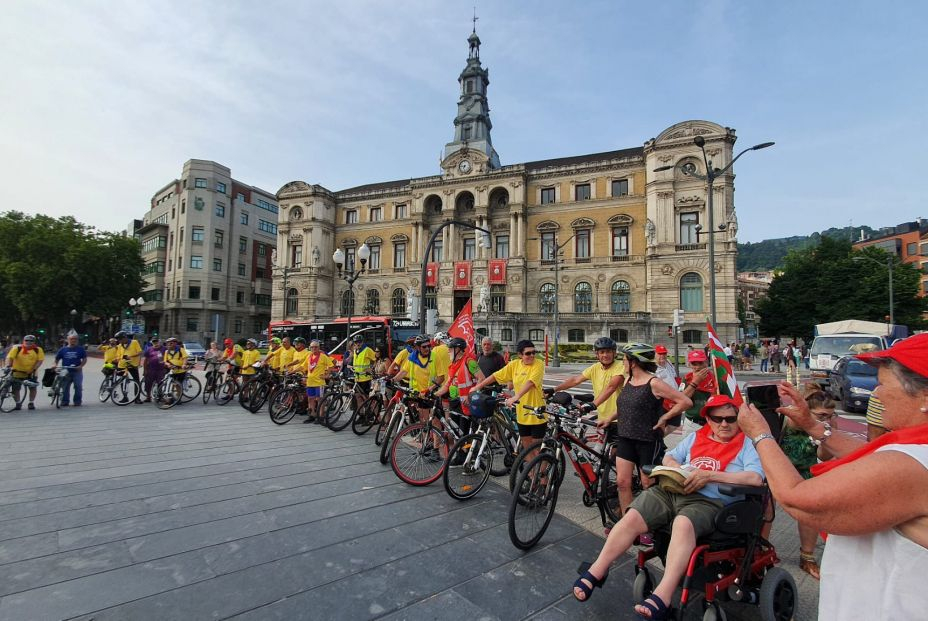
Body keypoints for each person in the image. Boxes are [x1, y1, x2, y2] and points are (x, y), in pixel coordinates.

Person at [737, 334, 928, 620]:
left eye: (882, 384)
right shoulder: (913, 450)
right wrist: (813, 425)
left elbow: (797, 499)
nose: (875, 394)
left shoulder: (910, 464)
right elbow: (872, 457)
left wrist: (760, 434)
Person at [572, 394, 763, 619]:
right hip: (674, 492)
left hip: (710, 501)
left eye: (730, 419)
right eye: (717, 418)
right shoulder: (697, 437)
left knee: (683, 523)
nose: (723, 424)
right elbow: (670, 456)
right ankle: (597, 570)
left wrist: (709, 476)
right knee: (633, 515)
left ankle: (663, 594)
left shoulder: (747, 443)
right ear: (708, 419)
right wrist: (674, 467)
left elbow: (755, 478)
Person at [595, 343, 693, 516]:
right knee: (622, 482)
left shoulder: (654, 383)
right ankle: (627, 521)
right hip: (625, 437)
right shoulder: (628, 380)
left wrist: (665, 417)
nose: (622, 363)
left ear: (634, 362)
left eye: (625, 359)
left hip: (647, 440)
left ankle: (650, 521)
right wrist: (609, 418)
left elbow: (685, 401)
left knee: (647, 483)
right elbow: (626, 406)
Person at [779, 385, 837, 579]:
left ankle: (807, 556)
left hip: (806, 469)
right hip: (781, 469)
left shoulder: (827, 426)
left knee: (810, 509)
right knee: (764, 506)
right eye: (822, 415)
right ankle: (761, 548)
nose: (827, 419)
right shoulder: (788, 422)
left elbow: (823, 455)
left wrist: (826, 435)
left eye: (830, 415)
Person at [473, 339, 546, 456]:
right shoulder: (514, 364)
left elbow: (531, 383)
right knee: (526, 449)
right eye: (528, 353)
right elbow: (495, 376)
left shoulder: (539, 364)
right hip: (522, 413)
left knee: (537, 450)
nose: (532, 355)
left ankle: (543, 474)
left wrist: (515, 397)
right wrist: (478, 386)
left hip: (537, 413)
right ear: (520, 355)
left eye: (534, 352)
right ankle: (532, 474)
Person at [554, 336, 626, 430]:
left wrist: (593, 404)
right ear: (597, 354)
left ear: (614, 353)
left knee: (615, 444)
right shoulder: (595, 367)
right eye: (602, 352)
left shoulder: (621, 366)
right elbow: (575, 380)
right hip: (603, 417)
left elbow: (611, 387)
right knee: (600, 444)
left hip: (619, 418)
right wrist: (554, 389)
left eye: (608, 351)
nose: (605, 355)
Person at [434, 337, 485, 435]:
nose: (448, 351)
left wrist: (471, 395)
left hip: (466, 404)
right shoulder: (454, 365)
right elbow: (447, 385)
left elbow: (482, 378)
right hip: (455, 403)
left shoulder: (469, 362)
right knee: (456, 433)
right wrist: (434, 394)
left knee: (464, 434)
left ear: (457, 349)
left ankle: (469, 450)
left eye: (450, 349)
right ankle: (459, 450)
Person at [393, 335, 443, 421]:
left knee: (434, 422)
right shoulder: (412, 358)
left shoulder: (434, 356)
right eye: (424, 347)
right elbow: (403, 372)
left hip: (431, 394)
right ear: (417, 347)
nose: (427, 348)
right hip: (418, 394)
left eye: (429, 346)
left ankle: (436, 434)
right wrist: (392, 380)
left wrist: (430, 389)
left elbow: (441, 377)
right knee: (423, 421)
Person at [678, 350, 715, 437]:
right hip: (692, 424)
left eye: (700, 363)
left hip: (711, 424)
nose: (697, 367)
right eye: (694, 364)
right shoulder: (686, 378)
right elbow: (682, 399)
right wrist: (695, 382)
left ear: (706, 363)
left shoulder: (714, 377)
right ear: (690, 365)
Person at [5, 335, 44, 410]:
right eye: (26, 340)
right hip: (17, 372)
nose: (28, 342)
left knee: (32, 388)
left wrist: (34, 369)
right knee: (16, 389)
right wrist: (8, 365)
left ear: (34, 342)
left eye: (31, 341)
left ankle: (31, 402)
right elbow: (10, 357)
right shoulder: (17, 348)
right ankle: (18, 403)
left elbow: (40, 360)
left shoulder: (38, 350)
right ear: (23, 341)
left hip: (31, 373)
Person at [303, 339, 334, 423]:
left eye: (316, 347)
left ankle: (321, 416)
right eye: (312, 347)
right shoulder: (309, 356)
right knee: (310, 399)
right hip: (310, 382)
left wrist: (327, 375)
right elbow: (303, 366)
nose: (314, 349)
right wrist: (292, 371)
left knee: (320, 399)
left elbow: (331, 365)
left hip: (319, 382)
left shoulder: (323, 356)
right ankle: (312, 415)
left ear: (319, 348)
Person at [54, 334, 87, 407]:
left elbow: (84, 359)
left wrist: (80, 366)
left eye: (75, 339)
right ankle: (65, 401)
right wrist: (54, 365)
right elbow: (57, 359)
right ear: (68, 340)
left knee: (78, 386)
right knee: (65, 387)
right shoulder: (63, 349)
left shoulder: (80, 349)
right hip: (65, 371)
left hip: (76, 371)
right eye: (71, 339)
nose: (73, 340)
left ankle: (77, 401)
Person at [115, 332, 143, 403]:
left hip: (132, 364)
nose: (119, 341)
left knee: (136, 381)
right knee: (122, 381)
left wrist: (131, 356)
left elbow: (140, 352)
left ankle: (137, 398)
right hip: (122, 365)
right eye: (118, 340)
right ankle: (125, 397)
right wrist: (118, 358)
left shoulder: (134, 342)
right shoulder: (119, 346)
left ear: (125, 337)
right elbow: (118, 355)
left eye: (120, 339)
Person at [141, 337, 166, 401]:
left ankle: (160, 396)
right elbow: (145, 360)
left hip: (161, 369)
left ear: (159, 342)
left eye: (157, 342)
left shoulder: (164, 349)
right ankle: (148, 397)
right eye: (154, 342)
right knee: (148, 383)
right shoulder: (149, 349)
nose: (156, 343)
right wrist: (145, 370)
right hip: (150, 369)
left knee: (160, 383)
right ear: (152, 343)